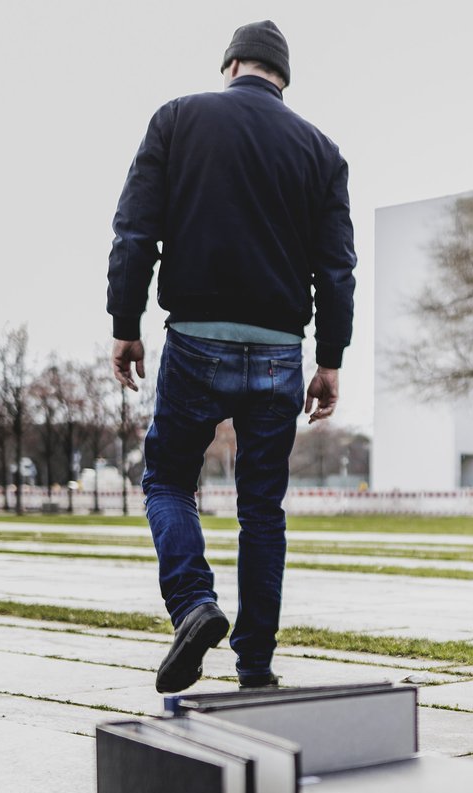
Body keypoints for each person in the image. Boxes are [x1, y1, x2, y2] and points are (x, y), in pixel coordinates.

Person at [107, 19, 353, 693]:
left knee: (167, 480)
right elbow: (336, 268)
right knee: (262, 509)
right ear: (282, 76)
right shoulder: (321, 152)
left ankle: (192, 604)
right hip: (280, 351)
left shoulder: (178, 119)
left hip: (195, 338)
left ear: (233, 64)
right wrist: (329, 359)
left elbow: (134, 232)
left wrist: (125, 323)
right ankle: (255, 665)